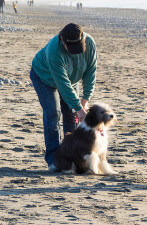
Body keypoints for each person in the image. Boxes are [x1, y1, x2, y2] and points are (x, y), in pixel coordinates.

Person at [30, 23, 97, 171]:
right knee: (53, 113)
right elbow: (63, 84)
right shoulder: (54, 50)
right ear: (62, 40)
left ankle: (70, 157)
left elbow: (90, 72)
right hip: (44, 77)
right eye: (71, 49)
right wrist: (79, 109)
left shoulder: (90, 43)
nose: (75, 53)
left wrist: (84, 101)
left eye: (79, 48)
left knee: (71, 114)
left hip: (71, 78)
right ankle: (54, 160)